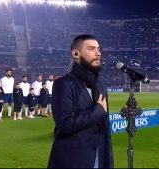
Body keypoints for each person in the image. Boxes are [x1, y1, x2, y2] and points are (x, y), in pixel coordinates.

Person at [48, 34, 114, 168]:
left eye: (98, 49)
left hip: (98, 157)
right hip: (73, 160)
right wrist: (97, 111)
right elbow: (66, 124)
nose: (98, 53)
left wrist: (108, 162)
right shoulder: (63, 84)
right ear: (75, 53)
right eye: (91, 48)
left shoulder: (100, 85)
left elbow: (105, 129)